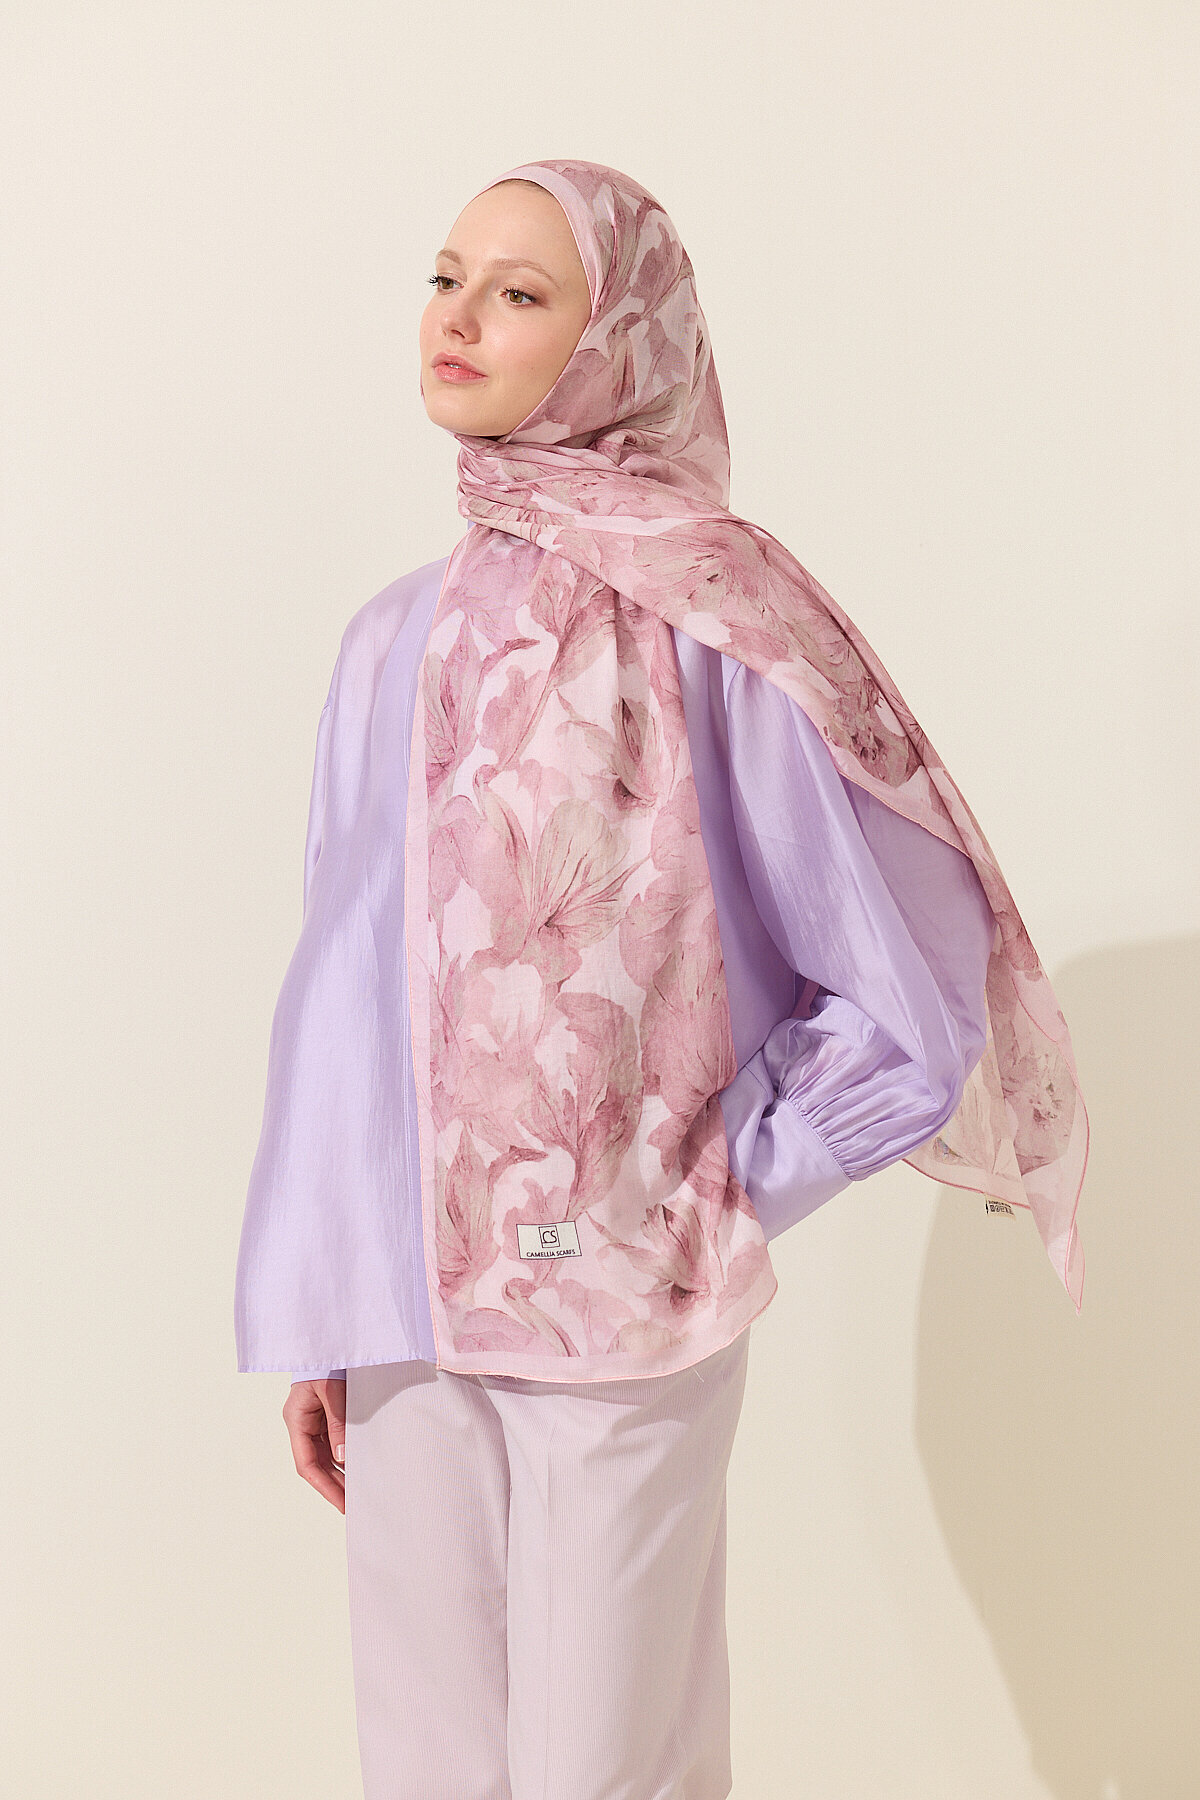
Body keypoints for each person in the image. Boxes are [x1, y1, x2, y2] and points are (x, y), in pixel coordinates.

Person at [234, 161, 1088, 1800]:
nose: (460, 317)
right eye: (446, 277)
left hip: (624, 1305)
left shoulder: (715, 623)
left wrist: (715, 1185)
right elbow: (346, 1000)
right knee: (427, 1771)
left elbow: (905, 989)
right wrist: (329, 1303)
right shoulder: (387, 640)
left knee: (604, 1772)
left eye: (521, 292)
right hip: (408, 1316)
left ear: (617, 339)